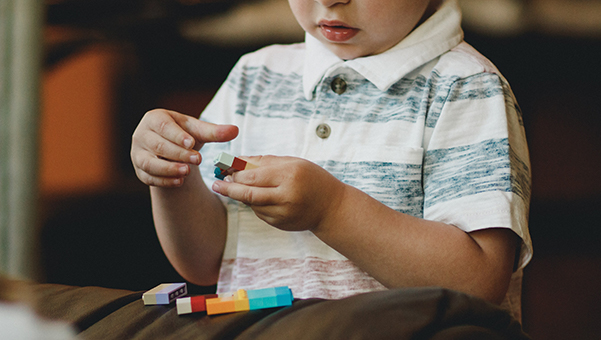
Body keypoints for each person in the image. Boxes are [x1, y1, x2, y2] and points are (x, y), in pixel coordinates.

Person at [130, 0, 532, 321]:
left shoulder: (466, 87)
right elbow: (205, 262)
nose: (330, 0)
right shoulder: (255, 76)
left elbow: (479, 281)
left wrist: (331, 210)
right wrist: (172, 175)